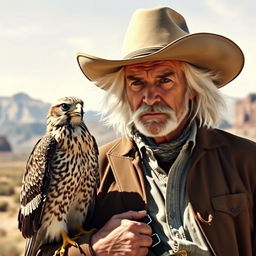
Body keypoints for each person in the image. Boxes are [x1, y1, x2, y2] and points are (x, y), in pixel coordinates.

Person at [37, 6, 256, 256]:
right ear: (125, 93)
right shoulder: (95, 166)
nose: (150, 97)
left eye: (165, 80)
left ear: (193, 88)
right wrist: (94, 247)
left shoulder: (245, 161)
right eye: (137, 82)